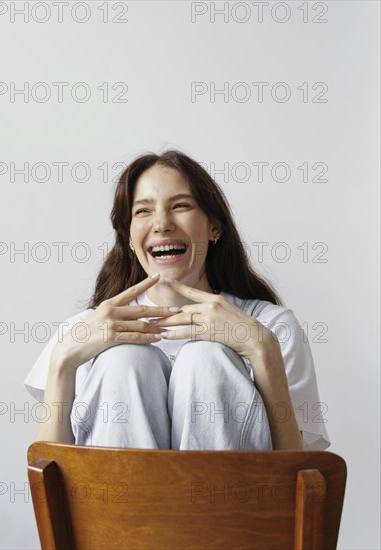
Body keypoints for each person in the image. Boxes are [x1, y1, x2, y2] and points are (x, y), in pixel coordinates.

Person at [24, 150, 330, 451]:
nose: (162, 224)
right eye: (143, 211)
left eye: (181, 205)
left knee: (206, 359)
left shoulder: (271, 326)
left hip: (234, 499)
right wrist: (63, 361)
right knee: (125, 359)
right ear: (129, 238)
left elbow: (298, 479)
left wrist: (262, 349)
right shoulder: (84, 330)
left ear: (214, 227)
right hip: (113, 499)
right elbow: (48, 477)